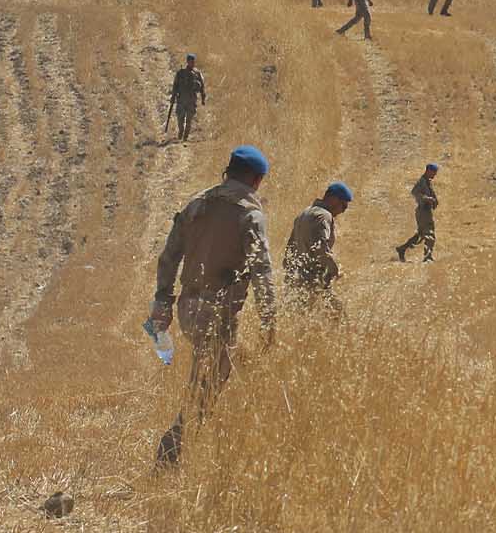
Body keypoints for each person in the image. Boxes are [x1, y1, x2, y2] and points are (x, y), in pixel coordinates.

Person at [150, 145, 278, 464]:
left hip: (188, 306)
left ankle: (189, 442)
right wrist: (269, 318)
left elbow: (168, 257)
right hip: (218, 309)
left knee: (213, 373)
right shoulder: (250, 213)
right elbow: (262, 268)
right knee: (206, 382)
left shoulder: (197, 203)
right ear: (256, 179)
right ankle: (176, 447)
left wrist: (164, 299)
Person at [285, 182, 352, 319]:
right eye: (343, 205)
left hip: (297, 278)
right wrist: (335, 270)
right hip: (314, 280)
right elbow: (320, 249)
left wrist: (290, 273)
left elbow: (290, 247)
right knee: (340, 317)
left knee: (299, 318)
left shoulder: (304, 213)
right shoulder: (324, 216)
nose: (344, 210)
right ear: (333, 199)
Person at [394, 162, 438, 262]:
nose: (435, 175)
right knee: (429, 234)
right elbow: (414, 192)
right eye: (434, 172)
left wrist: (434, 200)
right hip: (423, 211)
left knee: (421, 234)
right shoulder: (422, 181)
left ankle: (402, 249)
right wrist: (427, 199)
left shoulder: (427, 181)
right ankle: (428, 257)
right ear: (428, 171)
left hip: (426, 211)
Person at [169, 53, 207, 143]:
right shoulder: (180, 73)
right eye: (190, 61)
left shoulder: (197, 73)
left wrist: (203, 98)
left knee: (189, 120)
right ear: (187, 62)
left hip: (191, 100)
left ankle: (185, 136)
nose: (192, 63)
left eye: (193, 61)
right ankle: (181, 132)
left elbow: (202, 87)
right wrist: (173, 96)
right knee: (180, 119)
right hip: (181, 99)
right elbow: (175, 85)